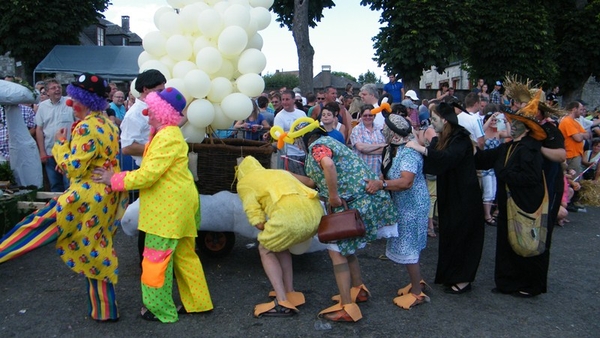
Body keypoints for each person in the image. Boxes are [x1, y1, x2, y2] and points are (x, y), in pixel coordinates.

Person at [9, 73, 126, 321]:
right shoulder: (109, 124)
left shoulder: (86, 127)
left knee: (35, 227)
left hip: (83, 199)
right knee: (97, 247)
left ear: (82, 101)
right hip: (106, 198)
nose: (70, 105)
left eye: (73, 100)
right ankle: (104, 311)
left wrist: (60, 145)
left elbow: (73, 168)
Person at [93, 87, 213, 322]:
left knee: (156, 261)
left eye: (153, 110)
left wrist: (113, 179)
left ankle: (160, 309)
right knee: (185, 257)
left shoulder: (166, 136)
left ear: (163, 112)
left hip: (167, 212)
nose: (148, 114)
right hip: (179, 207)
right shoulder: (168, 133)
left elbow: (148, 175)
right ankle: (198, 303)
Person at [290, 127, 399, 322]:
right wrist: (285, 175)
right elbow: (314, 182)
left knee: (337, 253)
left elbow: (328, 166)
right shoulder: (332, 143)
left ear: (303, 139)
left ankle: (347, 306)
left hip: (352, 204)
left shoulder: (317, 147)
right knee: (348, 250)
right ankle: (358, 289)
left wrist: (333, 196)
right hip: (361, 201)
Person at [406, 102, 484, 294]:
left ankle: (463, 279)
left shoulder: (460, 138)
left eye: (434, 119)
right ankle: (450, 275)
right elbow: (435, 161)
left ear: (445, 120)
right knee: (450, 233)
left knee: (462, 235)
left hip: (464, 196)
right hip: (450, 194)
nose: (431, 123)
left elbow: (447, 159)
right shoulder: (445, 138)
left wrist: (421, 148)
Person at [474, 92, 547, 297]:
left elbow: (531, 178)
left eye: (516, 124)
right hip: (508, 202)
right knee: (507, 240)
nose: (511, 127)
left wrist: (505, 174)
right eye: (511, 123)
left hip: (525, 203)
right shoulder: (509, 146)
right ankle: (508, 282)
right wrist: (470, 149)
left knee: (526, 240)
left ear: (527, 128)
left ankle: (528, 284)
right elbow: (485, 159)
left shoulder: (529, 149)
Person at [236, 156, 323, 317]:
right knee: (281, 245)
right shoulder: (275, 172)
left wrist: (264, 224)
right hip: (315, 213)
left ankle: (281, 301)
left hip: (289, 218)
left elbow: (256, 218)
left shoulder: (245, 182)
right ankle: (290, 292)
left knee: (265, 249)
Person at [365, 114, 431, 309]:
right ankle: (416, 283)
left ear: (393, 133)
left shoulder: (408, 153)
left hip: (413, 205)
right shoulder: (392, 149)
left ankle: (418, 294)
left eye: (385, 128)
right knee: (408, 244)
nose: (381, 130)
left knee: (408, 246)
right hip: (403, 204)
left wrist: (382, 184)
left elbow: (406, 182)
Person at [119, 69, 166, 264]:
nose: (163, 94)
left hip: (158, 172)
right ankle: (145, 265)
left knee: (159, 221)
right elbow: (127, 147)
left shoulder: (154, 108)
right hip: (147, 172)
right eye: (159, 90)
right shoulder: (133, 115)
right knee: (148, 222)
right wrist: (157, 147)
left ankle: (157, 264)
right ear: (145, 90)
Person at [35, 78, 73, 192]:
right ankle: (56, 209)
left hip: (68, 152)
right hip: (50, 152)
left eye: (59, 87)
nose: (57, 90)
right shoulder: (42, 107)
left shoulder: (70, 103)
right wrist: (42, 152)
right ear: (47, 92)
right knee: (55, 185)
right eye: (53, 88)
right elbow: (39, 129)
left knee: (69, 184)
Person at [481, 107, 511, 226]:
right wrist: (491, 118)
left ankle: (490, 213)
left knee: (494, 191)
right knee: (488, 191)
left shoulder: (498, 132)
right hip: (486, 165)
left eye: (494, 121)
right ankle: (487, 215)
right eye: (491, 120)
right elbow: (481, 130)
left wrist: (505, 120)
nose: (493, 122)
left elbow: (509, 133)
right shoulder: (483, 132)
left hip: (495, 165)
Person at [273, 90, 307, 174]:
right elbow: (278, 135)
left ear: (293, 100)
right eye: (283, 99)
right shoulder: (279, 117)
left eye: (287, 99)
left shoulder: (301, 113)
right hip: (289, 154)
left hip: (304, 152)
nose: (284, 102)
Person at [350, 104, 386, 176]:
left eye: (370, 115)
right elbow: (361, 148)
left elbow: (386, 149)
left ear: (374, 116)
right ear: (361, 116)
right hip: (362, 170)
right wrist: (380, 145)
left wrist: (367, 150)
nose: (368, 117)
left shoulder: (381, 129)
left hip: (379, 170)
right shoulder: (356, 129)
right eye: (365, 115)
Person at [559, 101, 590, 176]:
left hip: (575, 154)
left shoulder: (575, 122)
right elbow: (578, 138)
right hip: (570, 155)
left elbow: (587, 135)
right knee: (573, 180)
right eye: (580, 109)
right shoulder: (567, 121)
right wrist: (581, 135)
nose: (581, 112)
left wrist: (580, 134)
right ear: (574, 109)